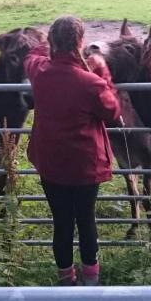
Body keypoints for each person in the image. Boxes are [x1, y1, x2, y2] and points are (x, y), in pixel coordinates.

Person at [24, 16, 121, 286]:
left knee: (62, 223)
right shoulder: (91, 82)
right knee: (86, 220)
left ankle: (66, 282)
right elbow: (112, 111)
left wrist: (44, 43)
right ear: (80, 42)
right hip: (85, 166)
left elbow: (31, 56)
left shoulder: (40, 72)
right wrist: (102, 72)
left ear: (53, 41)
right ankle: (92, 285)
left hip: (51, 163)